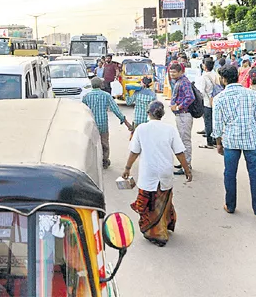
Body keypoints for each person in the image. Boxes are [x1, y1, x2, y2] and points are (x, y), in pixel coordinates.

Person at [123, 101, 192, 247]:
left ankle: (157, 234)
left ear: (148, 113)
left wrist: (127, 168)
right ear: (162, 114)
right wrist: (187, 169)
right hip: (165, 172)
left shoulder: (141, 129)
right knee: (163, 202)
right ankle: (164, 226)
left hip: (148, 173)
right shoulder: (170, 130)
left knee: (149, 205)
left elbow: (134, 151)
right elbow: (179, 152)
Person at [211, 65, 256, 216]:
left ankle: (230, 205)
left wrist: (218, 143)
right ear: (237, 76)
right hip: (252, 141)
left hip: (231, 141)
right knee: (255, 174)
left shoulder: (219, 99)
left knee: (229, 174)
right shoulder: (252, 94)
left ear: (223, 79)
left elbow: (217, 125)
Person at [82, 77, 132, 169]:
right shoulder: (106, 95)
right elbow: (116, 110)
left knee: (92, 143)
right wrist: (126, 123)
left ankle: (94, 161)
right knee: (104, 143)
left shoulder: (86, 96)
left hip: (91, 125)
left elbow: (83, 111)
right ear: (101, 85)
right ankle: (104, 161)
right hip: (102, 125)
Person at [169, 62, 195, 175]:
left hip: (184, 114)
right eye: (171, 72)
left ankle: (187, 165)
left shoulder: (184, 82)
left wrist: (179, 106)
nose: (172, 74)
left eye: (174, 72)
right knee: (182, 139)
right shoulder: (179, 81)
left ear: (180, 72)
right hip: (180, 115)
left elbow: (190, 97)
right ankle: (184, 162)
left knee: (185, 140)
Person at [199, 59, 218, 149]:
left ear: (205, 66)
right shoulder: (215, 75)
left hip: (207, 102)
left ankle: (209, 142)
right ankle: (215, 140)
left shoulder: (204, 77)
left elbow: (202, 91)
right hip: (216, 101)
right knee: (215, 121)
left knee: (208, 122)